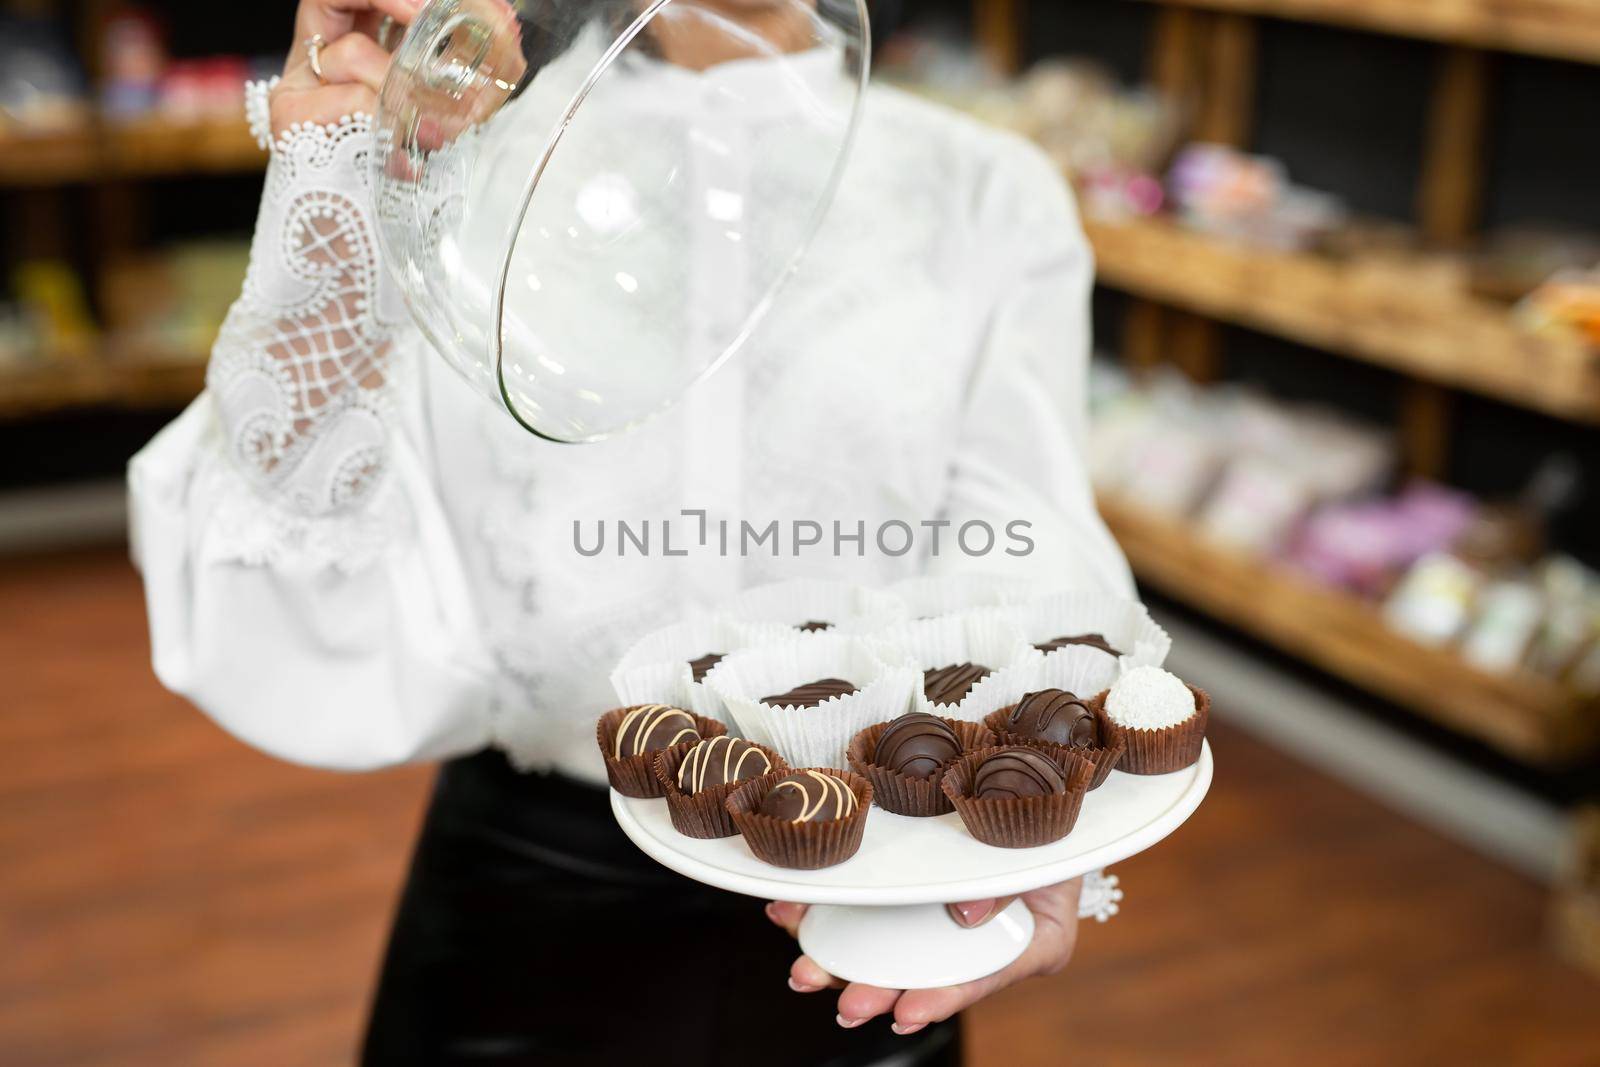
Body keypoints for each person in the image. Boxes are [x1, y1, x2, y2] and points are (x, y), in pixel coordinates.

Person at [128, 0, 1135, 1063]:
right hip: (530, 883)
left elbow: (1022, 546)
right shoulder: (462, 150)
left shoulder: (979, 190)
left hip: (883, 886)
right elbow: (290, 504)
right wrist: (339, 171)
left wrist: (1034, 826)